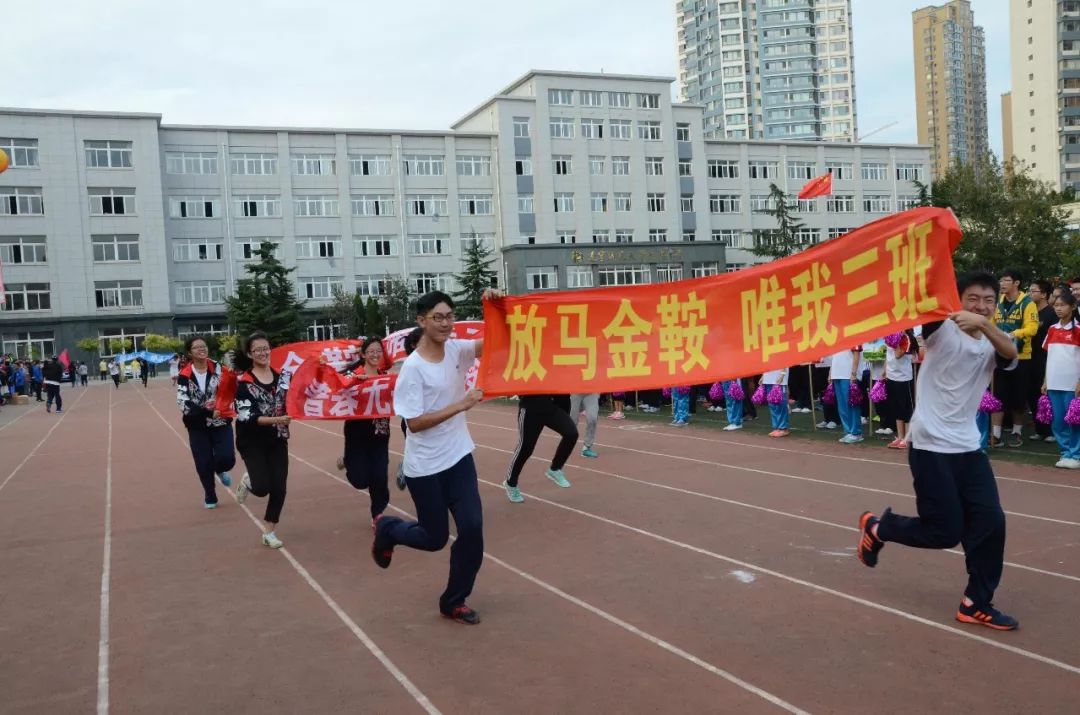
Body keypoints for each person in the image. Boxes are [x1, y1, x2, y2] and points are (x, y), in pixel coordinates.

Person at [857, 272, 1021, 630]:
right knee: (944, 531)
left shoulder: (994, 340)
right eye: (973, 298)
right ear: (958, 299)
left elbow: (1011, 354)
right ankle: (879, 527)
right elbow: (928, 287)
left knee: (991, 523)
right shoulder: (940, 329)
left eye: (989, 300)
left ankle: (976, 602)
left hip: (968, 447)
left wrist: (983, 323)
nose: (981, 305)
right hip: (930, 444)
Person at [372, 288, 502, 625]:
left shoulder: (457, 350)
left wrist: (496, 306)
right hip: (426, 468)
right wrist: (460, 404)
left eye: (450, 316)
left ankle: (454, 600)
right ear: (421, 320)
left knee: (472, 530)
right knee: (434, 539)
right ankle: (388, 528)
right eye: (438, 317)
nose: (446, 323)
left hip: (459, 456)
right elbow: (414, 424)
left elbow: (499, 339)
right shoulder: (413, 370)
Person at [232, 332, 292, 549]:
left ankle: (269, 531)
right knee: (261, 487)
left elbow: (304, 392)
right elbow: (248, 417)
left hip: (277, 438)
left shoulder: (283, 378)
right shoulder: (243, 383)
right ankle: (249, 481)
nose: (263, 353)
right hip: (252, 441)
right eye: (257, 350)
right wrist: (278, 418)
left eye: (266, 348)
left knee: (280, 487)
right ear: (250, 354)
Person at [176, 336, 236, 509]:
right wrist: (207, 412)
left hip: (221, 422)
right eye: (197, 347)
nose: (202, 349)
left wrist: (223, 407)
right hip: (197, 425)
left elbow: (231, 388)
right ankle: (210, 494)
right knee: (203, 462)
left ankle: (219, 469)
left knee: (227, 458)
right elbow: (182, 402)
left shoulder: (219, 368)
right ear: (190, 352)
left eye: (204, 346)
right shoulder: (184, 375)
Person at [341, 337, 393, 526]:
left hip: (380, 433)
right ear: (363, 354)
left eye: (378, 351)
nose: (375, 354)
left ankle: (377, 514)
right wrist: (354, 382)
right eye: (371, 351)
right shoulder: (352, 373)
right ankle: (347, 461)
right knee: (360, 480)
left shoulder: (384, 375)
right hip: (357, 435)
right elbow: (337, 389)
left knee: (379, 476)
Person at [991, 269, 1038, 447]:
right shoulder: (998, 302)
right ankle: (995, 435)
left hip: (1021, 357)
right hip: (1000, 356)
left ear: (1016, 283)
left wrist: (1012, 334)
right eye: (1001, 280)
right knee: (997, 396)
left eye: (1006, 280)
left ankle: (1017, 433)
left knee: (1019, 398)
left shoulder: (1027, 303)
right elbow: (990, 324)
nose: (1002, 283)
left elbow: (1032, 328)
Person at [502, 392, 578, 502]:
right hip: (530, 409)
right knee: (525, 448)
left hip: (551, 407)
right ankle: (510, 483)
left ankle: (555, 469)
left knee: (571, 434)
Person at [1041, 292, 1080, 469]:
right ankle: (1065, 453)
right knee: (1058, 421)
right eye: (1056, 305)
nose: (1058, 308)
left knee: (1074, 420)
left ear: (1072, 307)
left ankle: (1075, 454)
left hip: (1073, 385)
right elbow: (1049, 358)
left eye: (1062, 305)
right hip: (1054, 383)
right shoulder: (1052, 329)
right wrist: (1045, 380)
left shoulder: (1078, 330)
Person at [1028, 280, 1057, 442]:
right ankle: (1039, 429)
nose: (1030, 294)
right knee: (1032, 393)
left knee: (1045, 393)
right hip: (1029, 357)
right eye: (1029, 291)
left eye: (1034, 291)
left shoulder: (1051, 313)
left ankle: (1050, 430)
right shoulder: (1029, 310)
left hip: (1045, 358)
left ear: (1044, 294)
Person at [884, 329, 919, 449]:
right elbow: (887, 356)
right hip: (891, 376)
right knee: (896, 408)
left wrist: (895, 341)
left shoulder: (906, 338)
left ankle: (907, 438)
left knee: (906, 409)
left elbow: (898, 355)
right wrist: (885, 371)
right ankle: (899, 437)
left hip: (903, 379)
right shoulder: (890, 335)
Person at [829, 347, 862, 443]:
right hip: (837, 374)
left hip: (848, 375)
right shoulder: (836, 338)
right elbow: (833, 357)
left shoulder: (851, 334)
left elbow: (856, 353)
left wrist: (854, 373)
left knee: (851, 404)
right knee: (842, 406)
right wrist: (831, 373)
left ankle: (856, 432)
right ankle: (848, 431)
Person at [761, 367, 790, 438]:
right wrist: (763, 376)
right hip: (768, 378)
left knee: (781, 404)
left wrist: (783, 374)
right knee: (772, 404)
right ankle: (776, 427)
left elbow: (786, 359)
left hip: (779, 378)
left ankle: (784, 428)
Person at [569, 393, 600, 458]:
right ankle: (567, 442)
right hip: (576, 391)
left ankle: (587, 447)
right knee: (572, 420)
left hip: (592, 392)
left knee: (592, 419)